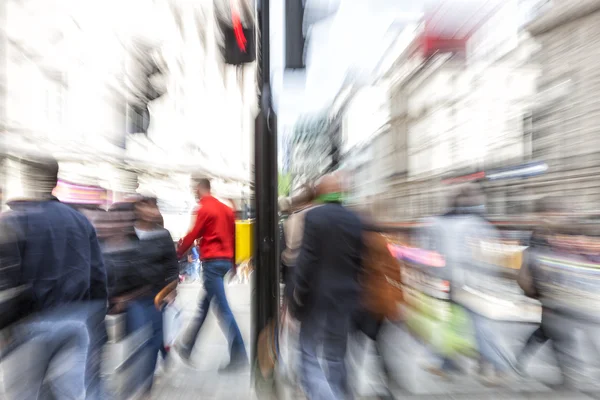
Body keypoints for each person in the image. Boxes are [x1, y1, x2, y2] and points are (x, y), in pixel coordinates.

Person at [0, 156, 108, 399]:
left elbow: (7, 281)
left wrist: (5, 329)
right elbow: (99, 276)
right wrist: (97, 325)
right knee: (68, 394)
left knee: (24, 393)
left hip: (31, 324)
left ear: (26, 179)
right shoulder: (79, 220)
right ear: (54, 181)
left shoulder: (16, 220)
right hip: (76, 322)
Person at [290, 173, 363, 400]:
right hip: (346, 297)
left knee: (308, 354)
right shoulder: (354, 219)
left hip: (318, 297)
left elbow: (307, 259)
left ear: (321, 193)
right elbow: (359, 261)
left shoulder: (315, 217)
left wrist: (297, 294)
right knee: (336, 357)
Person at [174, 178, 247, 371]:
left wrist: (178, 253)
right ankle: (187, 346)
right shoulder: (226, 209)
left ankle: (239, 353)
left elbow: (193, 234)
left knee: (222, 309)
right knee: (204, 306)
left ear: (200, 188)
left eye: (194, 189)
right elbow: (234, 236)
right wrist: (233, 264)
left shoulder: (203, 208)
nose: (194, 192)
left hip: (212, 263)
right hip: (223, 262)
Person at [515, 197, 566, 373]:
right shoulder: (539, 234)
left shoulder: (550, 232)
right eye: (554, 212)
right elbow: (537, 264)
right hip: (547, 289)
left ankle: (521, 359)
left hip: (555, 289)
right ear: (545, 213)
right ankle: (566, 371)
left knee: (550, 330)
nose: (557, 215)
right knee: (552, 330)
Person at [133, 196, 179, 383]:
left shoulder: (163, 234)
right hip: (131, 295)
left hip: (156, 295)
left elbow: (172, 265)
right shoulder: (129, 232)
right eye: (148, 206)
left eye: (155, 207)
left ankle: (145, 384)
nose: (152, 211)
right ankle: (160, 357)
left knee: (153, 335)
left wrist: (171, 289)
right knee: (138, 336)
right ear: (137, 208)